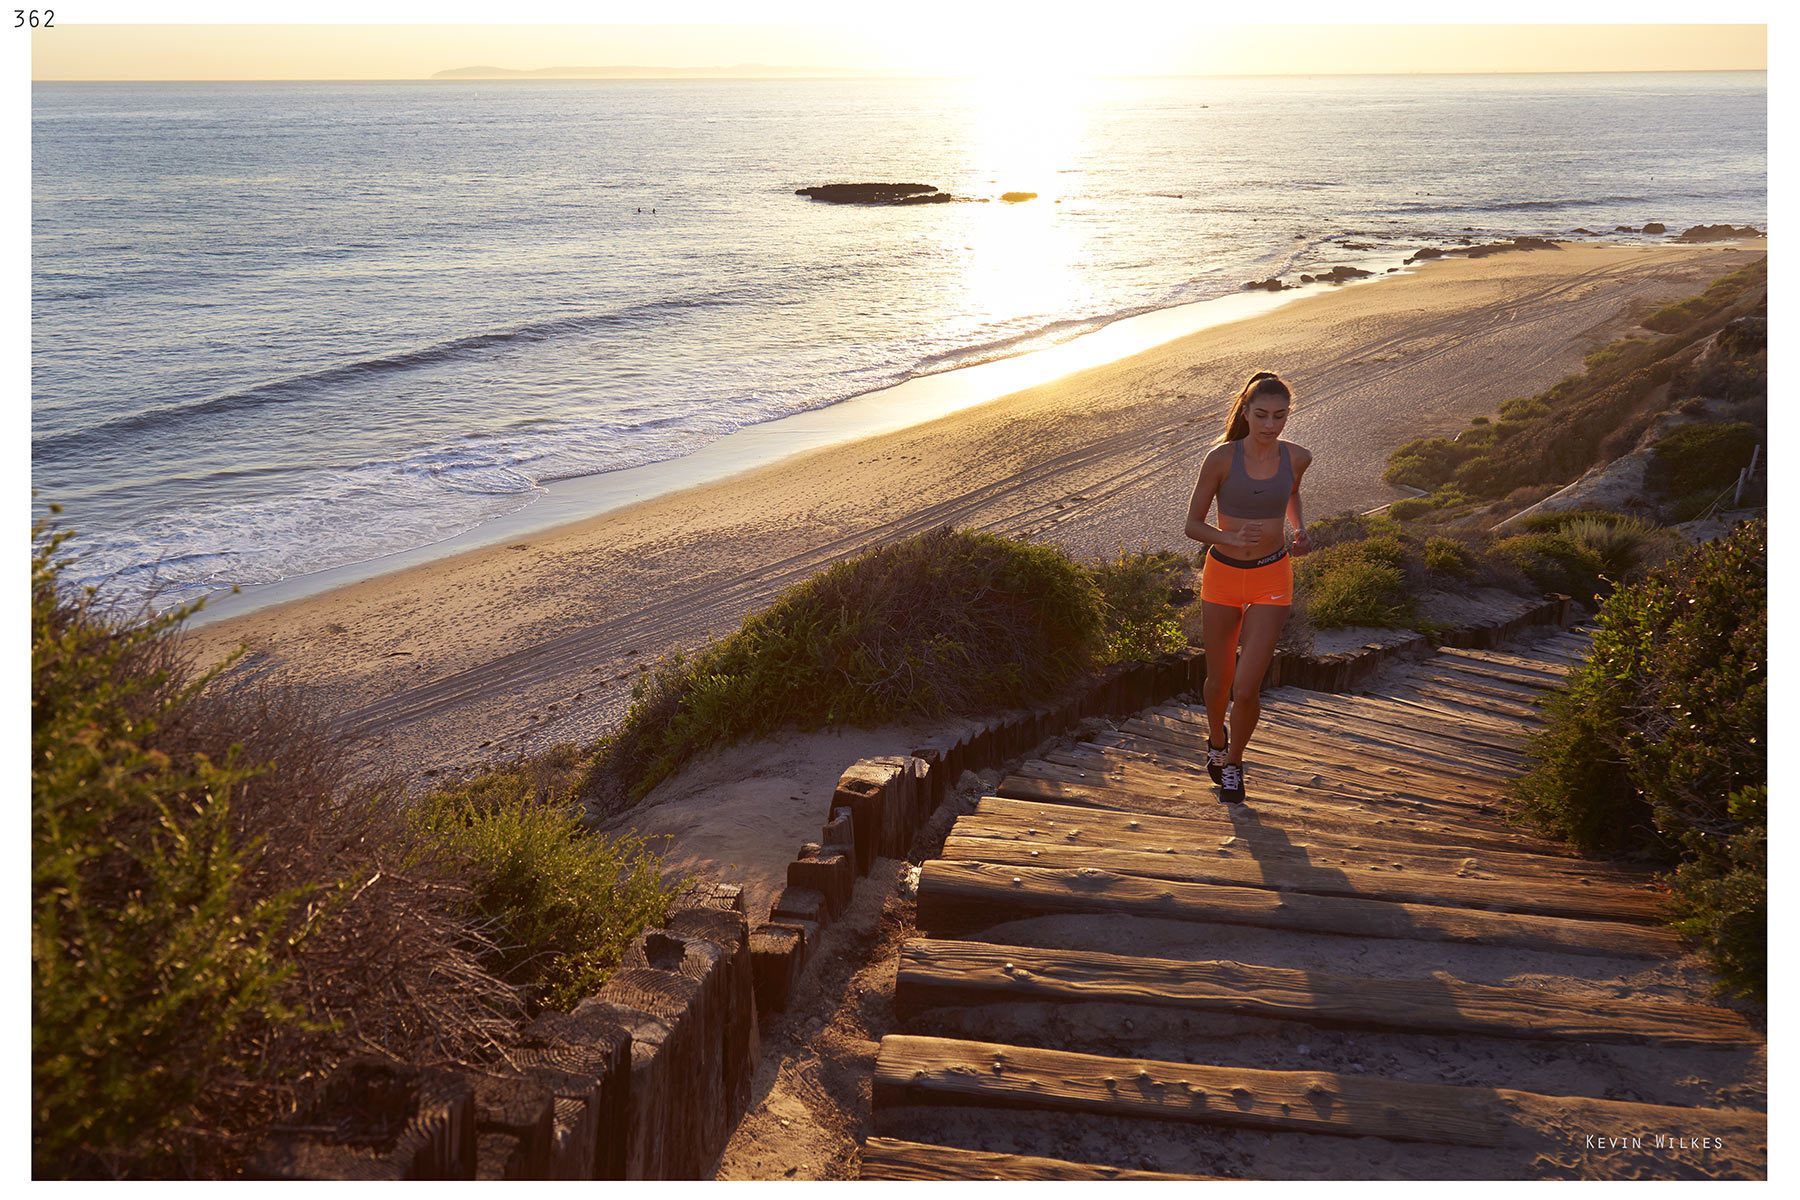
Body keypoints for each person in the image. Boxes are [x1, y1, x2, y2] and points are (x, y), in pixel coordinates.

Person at [1182, 371, 1313, 803]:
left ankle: (1234, 762)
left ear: (1287, 415)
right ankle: (1215, 742)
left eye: (1279, 415)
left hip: (1272, 578)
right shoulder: (1221, 458)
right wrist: (1229, 538)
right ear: (1246, 411)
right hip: (1221, 575)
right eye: (1261, 415)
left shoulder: (1298, 457)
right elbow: (1192, 525)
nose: (1270, 424)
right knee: (1218, 682)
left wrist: (1299, 529)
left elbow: (1291, 493)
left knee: (1246, 687)